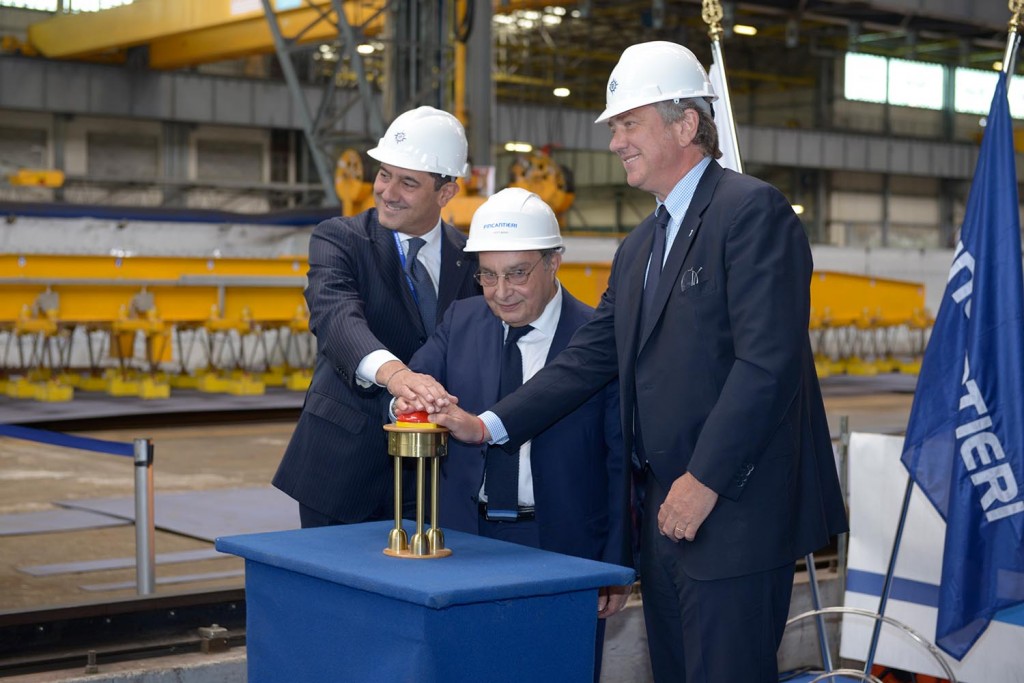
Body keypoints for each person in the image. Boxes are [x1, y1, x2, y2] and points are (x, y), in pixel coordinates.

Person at [428, 42, 848, 683]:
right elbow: (587, 359)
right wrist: (488, 425)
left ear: (686, 124)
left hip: (730, 509)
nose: (615, 141)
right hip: (665, 519)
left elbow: (768, 366)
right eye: (614, 127)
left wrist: (703, 481)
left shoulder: (751, 212)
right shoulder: (639, 246)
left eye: (629, 123)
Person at [393, 187, 633, 680]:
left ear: (554, 262)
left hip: (561, 546)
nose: (501, 291)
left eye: (517, 273)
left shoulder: (597, 338)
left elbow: (620, 462)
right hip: (465, 538)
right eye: (488, 275)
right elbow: (414, 381)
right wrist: (407, 398)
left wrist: (616, 565)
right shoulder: (462, 320)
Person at [273, 106, 480, 528]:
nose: (388, 191)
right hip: (341, 470)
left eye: (408, 182)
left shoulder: (472, 258)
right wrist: (396, 375)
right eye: (384, 175)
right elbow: (337, 318)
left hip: (435, 473)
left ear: (446, 193)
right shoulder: (339, 238)